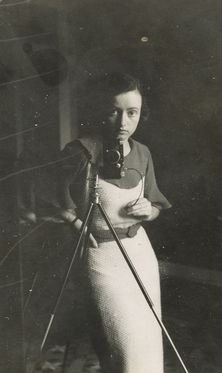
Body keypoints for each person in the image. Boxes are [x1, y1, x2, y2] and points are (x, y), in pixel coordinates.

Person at [57, 72, 171, 373]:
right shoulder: (80, 151)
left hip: (139, 253)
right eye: (114, 111)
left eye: (131, 113)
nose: (123, 122)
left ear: (140, 114)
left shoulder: (143, 153)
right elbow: (45, 190)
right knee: (124, 345)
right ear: (100, 110)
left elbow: (156, 202)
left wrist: (149, 210)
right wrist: (73, 221)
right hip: (101, 256)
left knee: (148, 338)